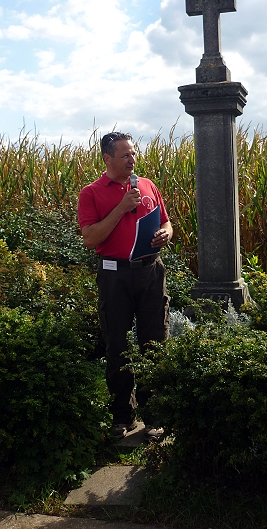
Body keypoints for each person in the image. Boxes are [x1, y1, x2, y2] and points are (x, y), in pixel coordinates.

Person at [78, 132, 172, 440]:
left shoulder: (147, 186)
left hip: (150, 272)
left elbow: (166, 222)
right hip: (114, 276)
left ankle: (154, 416)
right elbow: (91, 238)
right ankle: (123, 416)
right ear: (107, 159)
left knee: (154, 343)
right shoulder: (91, 193)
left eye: (133, 154)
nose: (132, 159)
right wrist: (120, 207)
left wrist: (165, 234)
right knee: (117, 346)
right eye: (125, 155)